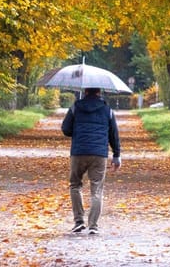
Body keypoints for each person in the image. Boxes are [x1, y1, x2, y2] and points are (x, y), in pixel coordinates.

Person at [60, 87, 121, 235]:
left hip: (78, 152)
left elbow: (66, 129)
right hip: (99, 154)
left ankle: (79, 221)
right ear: (99, 92)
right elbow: (114, 134)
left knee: (75, 185)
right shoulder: (108, 110)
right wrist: (116, 155)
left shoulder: (76, 107)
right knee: (97, 189)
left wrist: (78, 129)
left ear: (85, 91)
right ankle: (93, 225)